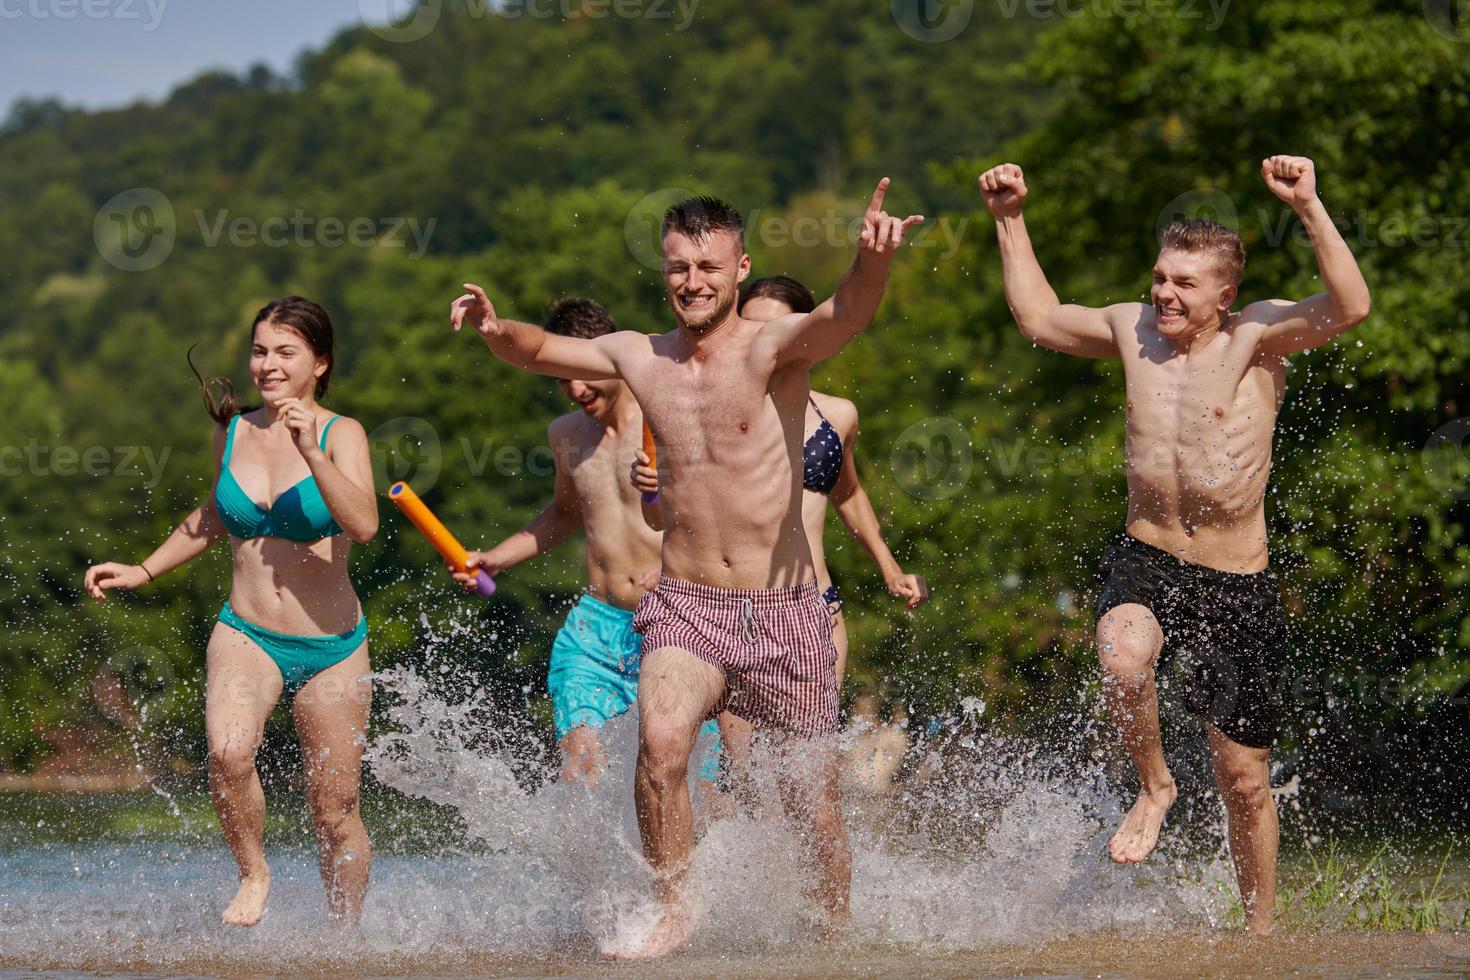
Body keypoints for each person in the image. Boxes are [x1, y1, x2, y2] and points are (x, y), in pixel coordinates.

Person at [450, 179, 922, 958]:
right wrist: (496, 328)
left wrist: (870, 264)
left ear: (739, 269)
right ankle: (674, 908)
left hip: (786, 609)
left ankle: (833, 937)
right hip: (688, 604)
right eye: (677, 266)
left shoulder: (773, 348)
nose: (691, 281)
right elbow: (538, 350)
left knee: (813, 805)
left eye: (707, 266)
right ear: (663, 270)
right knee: (661, 746)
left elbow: (848, 313)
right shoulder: (640, 355)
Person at [978, 156, 1370, 933]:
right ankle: (1155, 786)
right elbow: (1040, 318)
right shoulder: (1132, 330)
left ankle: (1259, 937)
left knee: (1243, 777)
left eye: (1184, 284)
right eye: (1160, 276)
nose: (1164, 293)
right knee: (1121, 652)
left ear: (1224, 295)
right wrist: (1009, 218)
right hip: (1149, 557)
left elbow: (1350, 307)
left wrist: (1309, 205)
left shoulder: (1257, 338)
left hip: (1236, 579)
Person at [84, 297, 380, 929]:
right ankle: (254, 872)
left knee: (334, 809)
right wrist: (142, 568)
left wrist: (312, 452)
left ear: (319, 364)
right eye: (259, 351)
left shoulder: (341, 433)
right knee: (227, 752)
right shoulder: (234, 431)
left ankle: (347, 940)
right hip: (247, 632)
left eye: (284, 352)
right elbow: (214, 517)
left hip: (332, 645)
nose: (267, 365)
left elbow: (363, 523)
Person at [632, 274, 929, 778]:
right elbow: (662, 518)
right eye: (754, 326)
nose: (766, 341)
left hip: (816, 609)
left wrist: (889, 566)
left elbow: (849, 494)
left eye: (782, 328)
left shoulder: (839, 415)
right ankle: (729, 853)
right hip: (734, 611)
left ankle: (807, 860)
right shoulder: (714, 413)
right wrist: (651, 488)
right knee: (745, 767)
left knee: (806, 774)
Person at [447, 297, 720, 788]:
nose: (575, 389)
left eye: (584, 373)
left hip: (676, 622)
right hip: (594, 629)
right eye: (561, 379)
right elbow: (564, 514)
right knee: (582, 778)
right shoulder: (566, 434)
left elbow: (719, 517)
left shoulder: (668, 416)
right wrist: (495, 559)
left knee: (691, 781)